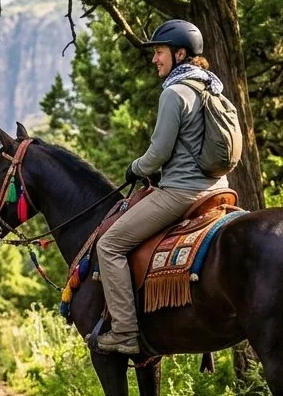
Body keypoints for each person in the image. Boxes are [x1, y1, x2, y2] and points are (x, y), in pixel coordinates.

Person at [93, 20, 232, 356]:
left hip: (181, 194)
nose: (154, 58)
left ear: (179, 53)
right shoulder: (212, 87)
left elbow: (158, 153)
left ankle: (125, 332)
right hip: (218, 190)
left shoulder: (175, 92)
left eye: (159, 51)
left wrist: (134, 169)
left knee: (109, 245)